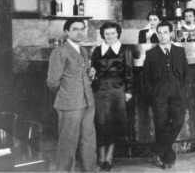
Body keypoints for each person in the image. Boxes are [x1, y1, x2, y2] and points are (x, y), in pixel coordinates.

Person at [46, 18, 97, 172]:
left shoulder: (83, 50)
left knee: (88, 140)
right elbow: (52, 81)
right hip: (69, 104)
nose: (80, 32)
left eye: (82, 29)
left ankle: (90, 170)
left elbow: (81, 76)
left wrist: (91, 76)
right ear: (67, 31)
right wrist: (66, 94)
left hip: (87, 101)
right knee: (68, 143)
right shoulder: (59, 51)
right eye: (75, 29)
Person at [142, 21, 189, 169]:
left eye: (165, 32)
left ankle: (157, 149)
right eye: (159, 33)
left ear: (171, 33)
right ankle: (167, 157)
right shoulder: (151, 53)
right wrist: (152, 92)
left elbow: (186, 72)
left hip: (177, 89)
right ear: (156, 34)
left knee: (178, 121)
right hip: (159, 91)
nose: (162, 36)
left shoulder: (179, 51)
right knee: (161, 124)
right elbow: (146, 76)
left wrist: (183, 89)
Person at [90, 22, 133, 171]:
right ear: (103, 35)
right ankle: (100, 157)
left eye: (113, 33)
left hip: (117, 90)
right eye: (107, 34)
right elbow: (92, 69)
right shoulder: (97, 50)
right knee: (100, 123)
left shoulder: (125, 49)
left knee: (114, 123)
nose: (110, 36)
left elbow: (129, 71)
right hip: (99, 90)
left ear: (118, 34)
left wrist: (128, 91)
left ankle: (109, 157)